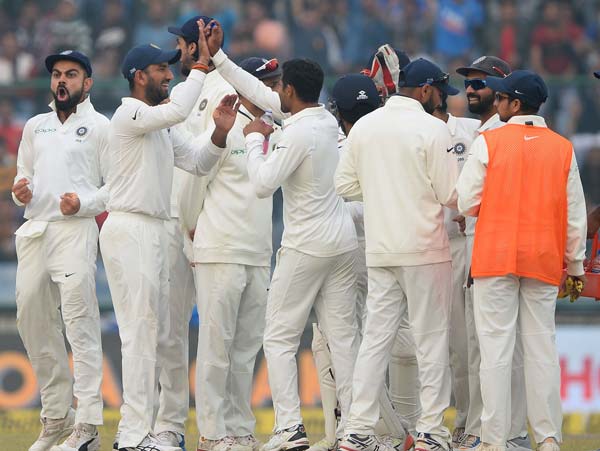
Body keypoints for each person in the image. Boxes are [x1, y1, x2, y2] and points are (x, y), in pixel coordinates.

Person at [205, 20, 360, 451]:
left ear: (289, 91)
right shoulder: (326, 121)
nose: (275, 93)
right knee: (343, 339)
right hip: (342, 241)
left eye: (279, 88)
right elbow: (256, 91)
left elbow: (262, 184)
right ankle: (357, 430)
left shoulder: (296, 132)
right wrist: (219, 58)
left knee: (278, 338)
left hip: (307, 244)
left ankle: (289, 428)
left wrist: (256, 140)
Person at [100, 21, 239, 451]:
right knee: (140, 332)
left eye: (168, 67)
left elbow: (197, 161)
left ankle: (147, 430)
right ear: (139, 76)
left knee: (159, 333)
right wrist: (200, 65)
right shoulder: (129, 113)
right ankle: (133, 434)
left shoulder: (159, 123)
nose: (167, 74)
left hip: (157, 229)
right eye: (161, 69)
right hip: (130, 227)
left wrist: (219, 132)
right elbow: (177, 110)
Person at [457, 70, 587, 451]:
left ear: (515, 104)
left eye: (501, 98)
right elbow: (575, 216)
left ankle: (494, 441)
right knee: (541, 350)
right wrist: (575, 267)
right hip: (544, 258)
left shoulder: (489, 142)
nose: (496, 102)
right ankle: (547, 438)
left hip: (494, 257)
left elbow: (466, 201)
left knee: (495, 353)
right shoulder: (562, 148)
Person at [335, 58, 459, 451]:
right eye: (439, 92)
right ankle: (431, 431)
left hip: (381, 248)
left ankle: (358, 429)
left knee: (375, 341)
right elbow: (450, 193)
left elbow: (343, 185)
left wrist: (381, 193)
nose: (441, 99)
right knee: (431, 341)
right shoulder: (433, 128)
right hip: (425, 249)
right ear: (425, 90)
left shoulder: (365, 126)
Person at [148, 15, 236, 450]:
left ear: (194, 46)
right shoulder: (180, 93)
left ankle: (217, 430)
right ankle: (170, 425)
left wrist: (194, 217)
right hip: (172, 223)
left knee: (218, 334)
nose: (177, 54)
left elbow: (210, 161)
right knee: (169, 331)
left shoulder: (223, 89)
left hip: (207, 226)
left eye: (181, 45)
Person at [11, 50, 107, 451]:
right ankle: (56, 415)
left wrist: (83, 204)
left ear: (87, 82)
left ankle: (88, 423)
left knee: (80, 323)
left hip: (75, 229)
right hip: (36, 230)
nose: (61, 81)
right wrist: (20, 191)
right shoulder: (36, 126)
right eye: (56, 75)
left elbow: (116, 187)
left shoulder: (101, 127)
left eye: (71, 74)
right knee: (30, 318)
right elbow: (24, 176)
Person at [192, 56, 282, 451]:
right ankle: (212, 433)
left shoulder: (278, 129)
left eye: (276, 82)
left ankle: (241, 428)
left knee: (245, 350)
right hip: (221, 249)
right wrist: (192, 235)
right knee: (216, 348)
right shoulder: (223, 125)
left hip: (258, 252)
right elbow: (193, 184)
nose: (274, 90)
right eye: (267, 82)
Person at [455, 56, 531, 451]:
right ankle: (488, 430)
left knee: (499, 347)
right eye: (467, 83)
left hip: (496, 250)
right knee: (484, 347)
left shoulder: (501, 134)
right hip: (483, 247)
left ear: (501, 90)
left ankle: (502, 432)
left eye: (479, 83)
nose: (470, 89)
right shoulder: (479, 130)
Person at [431, 91, 479, 449]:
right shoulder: (410, 131)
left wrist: (472, 209)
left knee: (466, 342)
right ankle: (434, 423)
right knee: (442, 345)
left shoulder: (472, 131)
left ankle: (469, 421)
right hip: (424, 247)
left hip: (464, 243)